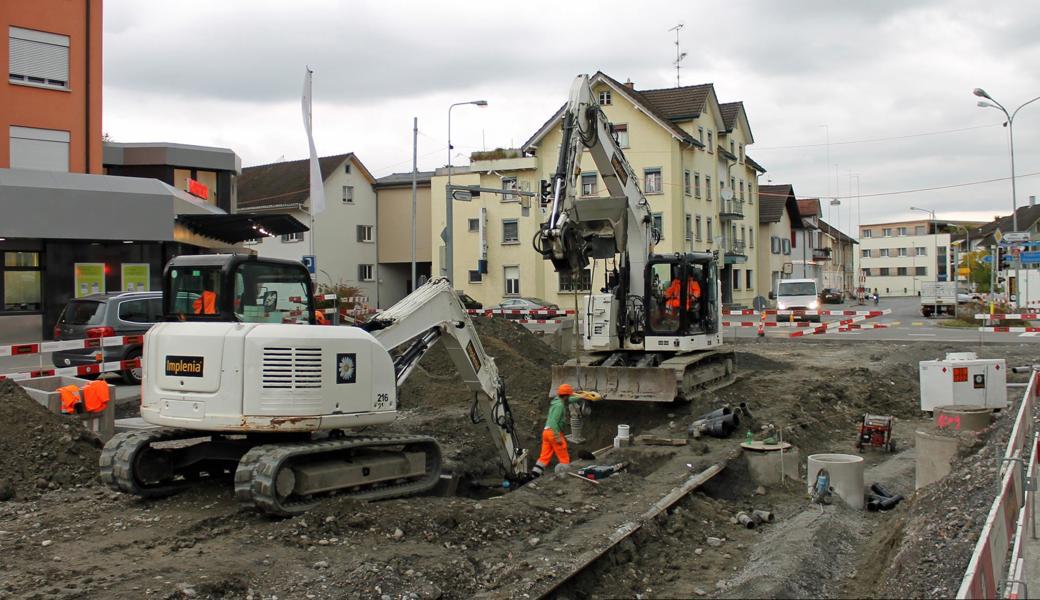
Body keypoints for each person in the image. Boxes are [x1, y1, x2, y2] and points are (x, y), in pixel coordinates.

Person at [531, 384, 573, 477]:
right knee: (563, 453)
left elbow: (571, 399)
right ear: (566, 396)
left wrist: (583, 396)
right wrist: (557, 436)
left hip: (546, 432)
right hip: (553, 432)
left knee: (544, 456)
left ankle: (534, 474)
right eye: (569, 395)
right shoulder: (560, 406)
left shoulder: (556, 401)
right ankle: (564, 474)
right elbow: (554, 421)